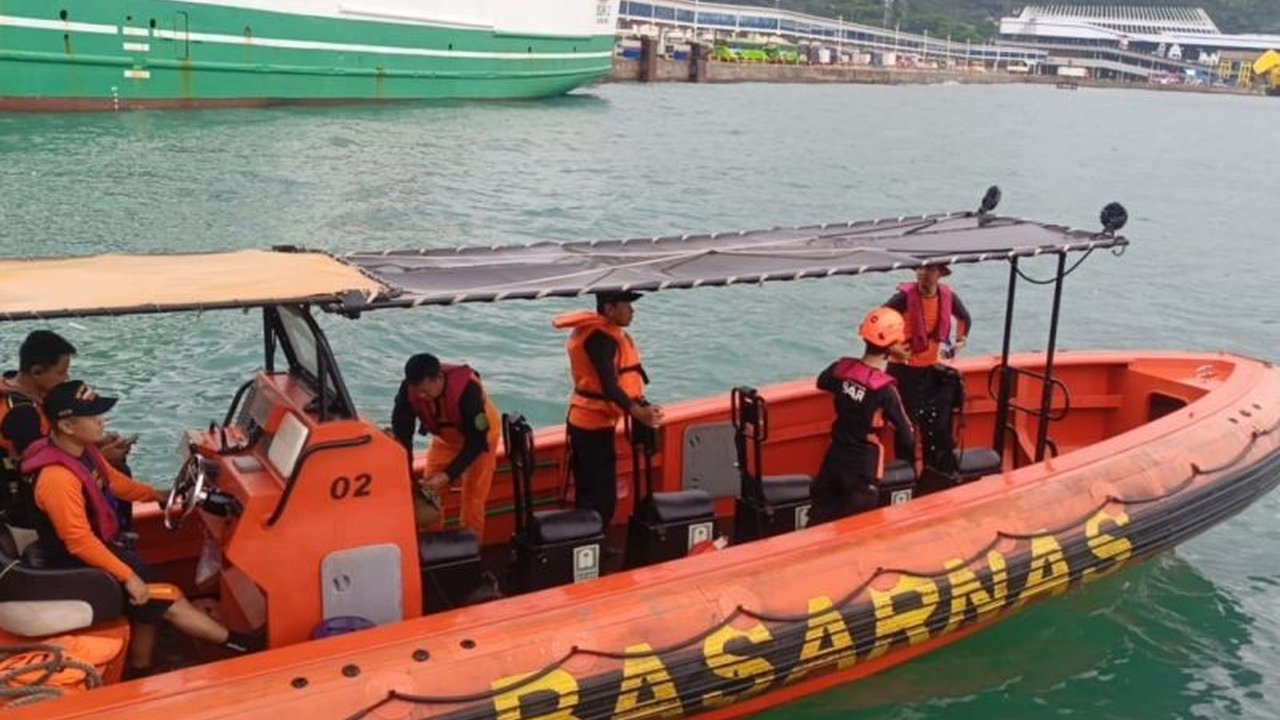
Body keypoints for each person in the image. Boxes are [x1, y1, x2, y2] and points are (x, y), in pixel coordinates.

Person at [20, 381, 259, 678]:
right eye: (93, 417)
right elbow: (78, 541)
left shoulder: (82, 450)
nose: (102, 422)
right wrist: (129, 577)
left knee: (150, 592)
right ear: (67, 425)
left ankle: (141, 667)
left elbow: (116, 484)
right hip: (78, 561)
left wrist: (157, 494)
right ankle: (244, 646)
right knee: (167, 595)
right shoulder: (57, 479)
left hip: (102, 546)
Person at [554, 291, 663, 535]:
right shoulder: (601, 339)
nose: (632, 311)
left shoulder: (596, 332)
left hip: (586, 422)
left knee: (589, 491)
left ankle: (590, 543)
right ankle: (593, 546)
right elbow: (608, 386)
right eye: (627, 306)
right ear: (609, 309)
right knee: (602, 498)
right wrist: (638, 412)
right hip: (591, 427)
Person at [1, 332, 135, 525]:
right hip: (25, 498)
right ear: (37, 372)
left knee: (117, 466)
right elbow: (39, 471)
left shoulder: (34, 391)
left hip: (47, 473)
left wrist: (96, 442)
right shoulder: (21, 414)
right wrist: (101, 459)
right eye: (61, 372)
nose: (66, 378)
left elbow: (56, 439)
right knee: (118, 470)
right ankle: (118, 532)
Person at [809, 308, 916, 524]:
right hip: (861, 470)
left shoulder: (840, 369)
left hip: (834, 460)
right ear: (893, 346)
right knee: (856, 527)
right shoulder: (885, 391)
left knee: (819, 520)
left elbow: (823, 381)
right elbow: (907, 436)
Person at [391, 354, 501, 538]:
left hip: (481, 440)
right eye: (417, 391)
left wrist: (448, 475)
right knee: (429, 493)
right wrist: (407, 475)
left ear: (439, 379)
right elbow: (403, 437)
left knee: (473, 498)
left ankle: (470, 549)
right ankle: (432, 547)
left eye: (425, 392)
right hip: (446, 440)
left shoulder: (468, 391)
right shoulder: (409, 392)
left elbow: (476, 442)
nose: (421, 396)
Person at [883, 265, 972, 469]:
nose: (922, 274)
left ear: (940, 274)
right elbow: (876, 321)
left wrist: (961, 340)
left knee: (934, 423)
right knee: (906, 425)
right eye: (920, 269)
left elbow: (964, 318)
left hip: (930, 369)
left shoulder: (948, 297)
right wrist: (892, 348)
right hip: (902, 370)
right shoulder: (903, 298)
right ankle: (905, 471)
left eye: (929, 270)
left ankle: (934, 468)